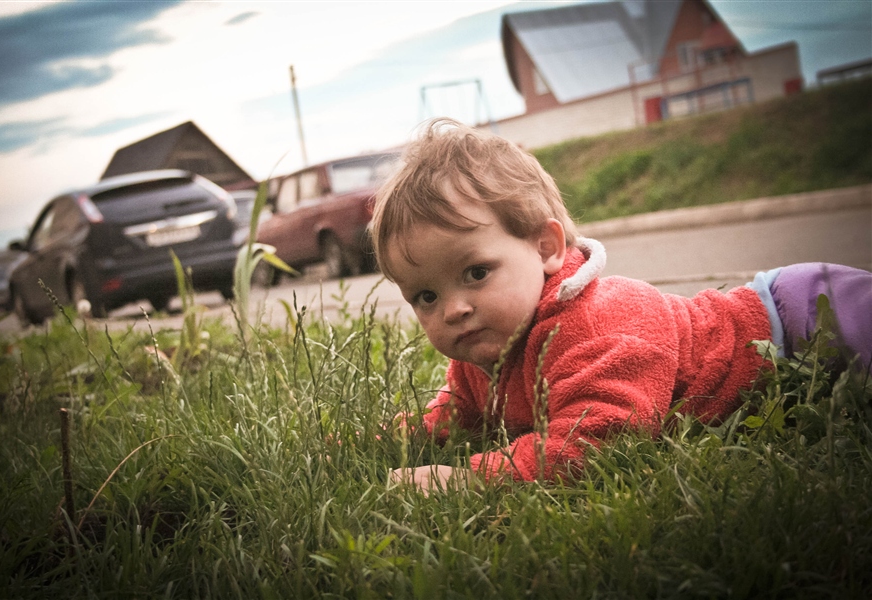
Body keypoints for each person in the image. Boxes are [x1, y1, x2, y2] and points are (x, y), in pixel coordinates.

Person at [370, 118, 872, 493]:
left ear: (546, 248)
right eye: (426, 296)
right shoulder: (485, 352)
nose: (453, 310)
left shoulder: (598, 319)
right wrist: (375, 439)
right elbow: (458, 413)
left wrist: (468, 477)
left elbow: (599, 439)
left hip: (802, 319)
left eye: (476, 273)